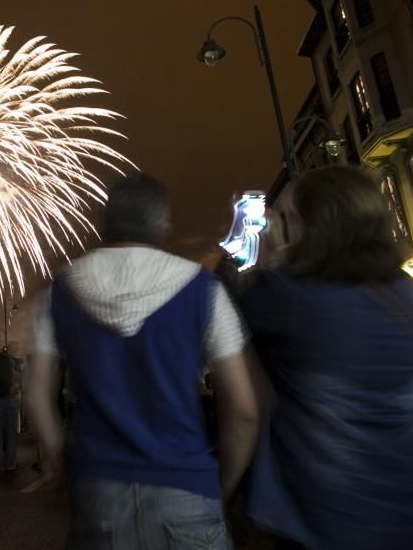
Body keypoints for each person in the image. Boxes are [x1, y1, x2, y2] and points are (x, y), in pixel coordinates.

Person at [26, 171, 260, 549]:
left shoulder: (60, 291)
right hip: (186, 486)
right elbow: (244, 411)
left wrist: (55, 456)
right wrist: (221, 487)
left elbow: (37, 394)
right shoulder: (202, 289)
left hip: (97, 492)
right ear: (162, 223)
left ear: (106, 221)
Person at [237, 166, 413, 549]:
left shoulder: (284, 294)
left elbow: (227, 317)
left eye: (290, 217)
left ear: (312, 224)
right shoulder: (401, 288)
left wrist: (270, 249)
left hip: (335, 515)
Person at [0, 346, 19, 473]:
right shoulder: (10, 372)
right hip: (9, 400)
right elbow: (13, 388)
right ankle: (10, 463)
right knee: (10, 433)